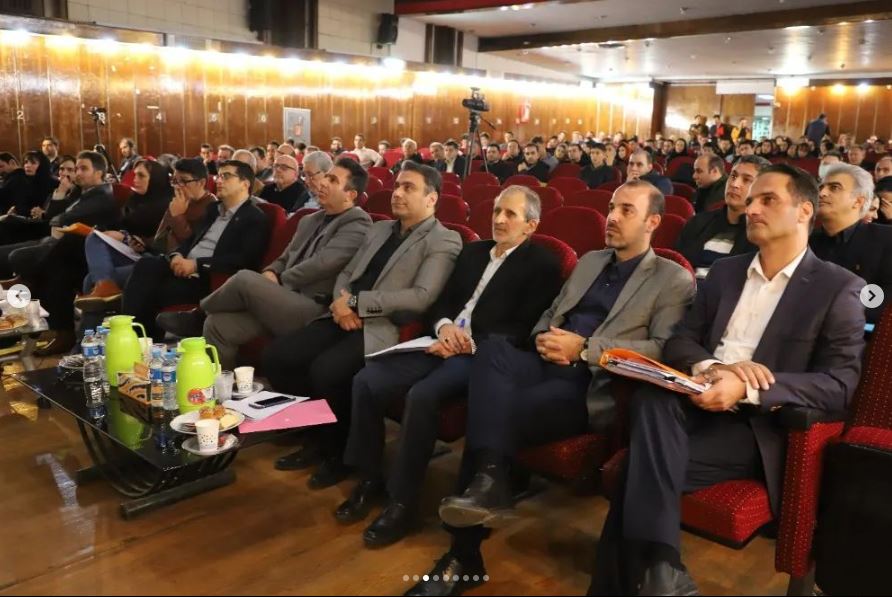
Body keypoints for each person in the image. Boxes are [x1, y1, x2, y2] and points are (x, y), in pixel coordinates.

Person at [406, 181, 696, 596]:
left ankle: (464, 549)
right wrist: (544, 335)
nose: (612, 217)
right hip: (543, 359)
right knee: (494, 349)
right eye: (611, 207)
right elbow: (551, 311)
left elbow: (661, 349)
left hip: (590, 382)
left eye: (626, 211)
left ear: (653, 222)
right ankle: (490, 482)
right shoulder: (592, 261)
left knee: (495, 409)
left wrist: (585, 349)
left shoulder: (672, 278)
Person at [589, 164, 866, 596]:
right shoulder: (726, 272)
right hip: (691, 405)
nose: (751, 208)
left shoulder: (837, 287)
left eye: (767, 200)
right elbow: (682, 341)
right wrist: (711, 368)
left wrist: (750, 386)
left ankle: (641, 577)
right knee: (651, 399)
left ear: (804, 211)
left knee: (632, 471)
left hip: (756, 426)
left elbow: (841, 384)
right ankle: (662, 571)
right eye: (750, 200)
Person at [338, 186, 562, 548]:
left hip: (481, 355)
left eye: (510, 214)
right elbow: (441, 302)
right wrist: (444, 328)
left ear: (531, 225)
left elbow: (524, 328)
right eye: (497, 211)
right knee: (368, 380)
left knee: (422, 395)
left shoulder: (543, 264)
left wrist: (467, 343)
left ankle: (402, 502)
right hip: (438, 340)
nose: (499, 219)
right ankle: (369, 477)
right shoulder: (473, 252)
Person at [264, 161, 462, 489]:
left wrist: (357, 303)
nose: (397, 193)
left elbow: (421, 297)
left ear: (431, 199)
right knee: (279, 356)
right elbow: (348, 272)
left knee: (327, 371)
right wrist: (341, 302)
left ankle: (336, 453)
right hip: (342, 313)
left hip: (381, 325)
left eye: (408, 188)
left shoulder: (444, 239)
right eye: (397, 186)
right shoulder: (380, 228)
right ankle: (316, 434)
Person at [157, 158, 372, 369]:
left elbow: (322, 264)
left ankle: (197, 315)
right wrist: (272, 271)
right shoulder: (309, 219)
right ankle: (223, 387)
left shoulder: (357, 222)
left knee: (244, 278)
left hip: (313, 307)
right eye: (326, 176)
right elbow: (285, 257)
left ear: (350, 195)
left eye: (333, 180)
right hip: (281, 300)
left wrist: (278, 280)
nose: (323, 182)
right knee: (217, 325)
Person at [121, 160, 269, 341]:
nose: (219, 181)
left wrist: (196, 265)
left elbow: (244, 260)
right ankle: (132, 335)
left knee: (153, 289)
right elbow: (192, 240)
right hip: (185, 266)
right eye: (219, 176)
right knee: (146, 265)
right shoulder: (214, 210)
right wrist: (177, 255)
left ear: (245, 184)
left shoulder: (253, 217)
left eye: (226, 176)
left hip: (208, 277)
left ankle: (138, 340)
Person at [75, 159, 173, 310]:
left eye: (141, 176)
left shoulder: (167, 205)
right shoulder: (133, 201)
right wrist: (123, 235)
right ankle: (104, 293)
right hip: (131, 252)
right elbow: (119, 224)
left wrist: (128, 238)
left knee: (91, 275)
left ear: (155, 179)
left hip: (151, 259)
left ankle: (106, 290)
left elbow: (165, 243)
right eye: (135, 175)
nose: (135, 180)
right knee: (93, 244)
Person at [809, 163, 892, 324]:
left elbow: (885, 300)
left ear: (858, 201)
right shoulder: (805, 241)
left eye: (834, 188)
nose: (822, 193)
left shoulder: (886, 239)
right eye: (821, 187)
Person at [676, 155, 768, 280]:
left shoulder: (763, 235)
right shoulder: (697, 222)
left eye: (747, 180)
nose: (735, 184)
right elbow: (677, 268)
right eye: (733, 176)